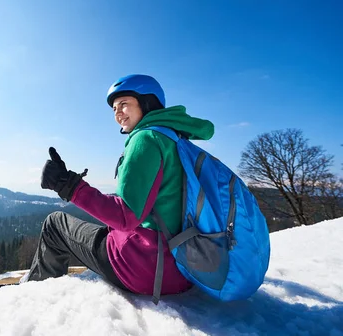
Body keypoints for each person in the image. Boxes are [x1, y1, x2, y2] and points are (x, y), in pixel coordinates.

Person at [23, 74, 215, 297]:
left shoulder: (146, 139)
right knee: (104, 229)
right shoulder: (176, 139)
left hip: (146, 269)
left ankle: (33, 295)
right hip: (181, 267)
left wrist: (69, 186)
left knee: (54, 223)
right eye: (114, 108)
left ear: (147, 102)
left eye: (124, 104)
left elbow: (126, 216)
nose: (117, 113)